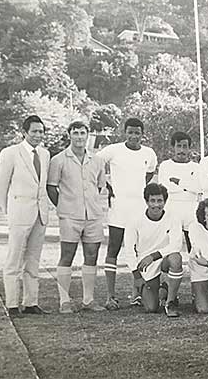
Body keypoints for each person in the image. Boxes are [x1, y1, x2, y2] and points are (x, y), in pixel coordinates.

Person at [97, 118, 157, 310]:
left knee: (138, 250)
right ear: (125, 133)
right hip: (118, 208)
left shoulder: (149, 153)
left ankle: (136, 294)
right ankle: (110, 296)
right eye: (130, 132)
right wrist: (106, 185)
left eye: (137, 132)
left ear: (142, 134)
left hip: (139, 209)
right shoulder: (113, 150)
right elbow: (94, 163)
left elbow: (147, 175)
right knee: (113, 249)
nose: (133, 136)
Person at [47, 121, 106, 314]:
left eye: (83, 133)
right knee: (67, 256)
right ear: (69, 134)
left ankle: (88, 300)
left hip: (93, 215)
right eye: (76, 133)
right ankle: (64, 300)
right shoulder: (59, 160)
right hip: (69, 216)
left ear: (87, 135)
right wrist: (65, 205)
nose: (79, 137)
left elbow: (98, 186)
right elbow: (51, 187)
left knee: (91, 255)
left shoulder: (96, 160)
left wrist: (88, 204)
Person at [0, 115, 51, 317]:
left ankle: (31, 302)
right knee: (14, 259)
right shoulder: (11, 153)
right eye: (34, 131)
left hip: (40, 214)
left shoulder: (45, 154)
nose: (38, 135)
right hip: (19, 212)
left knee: (33, 260)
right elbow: (1, 184)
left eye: (41, 131)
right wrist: (4, 210)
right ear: (25, 132)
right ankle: (12, 305)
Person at [124, 183, 183, 317]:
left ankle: (170, 302)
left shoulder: (173, 218)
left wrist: (153, 256)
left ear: (165, 201)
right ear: (146, 201)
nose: (156, 205)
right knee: (151, 308)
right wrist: (137, 276)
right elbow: (129, 251)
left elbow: (176, 245)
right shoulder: (134, 220)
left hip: (163, 258)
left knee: (176, 258)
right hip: (145, 265)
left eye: (160, 201)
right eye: (152, 201)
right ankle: (162, 289)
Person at [157, 131, 201, 251]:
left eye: (185, 146)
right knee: (171, 246)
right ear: (173, 147)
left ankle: (195, 269)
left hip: (191, 208)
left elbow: (198, 188)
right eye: (179, 146)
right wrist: (187, 185)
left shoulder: (196, 167)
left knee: (194, 245)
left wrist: (178, 182)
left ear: (189, 148)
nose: (182, 150)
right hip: (171, 207)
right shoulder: (165, 165)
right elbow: (165, 188)